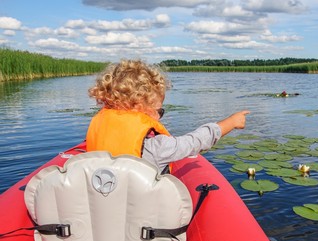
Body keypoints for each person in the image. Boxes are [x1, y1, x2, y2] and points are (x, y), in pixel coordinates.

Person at [86, 59, 250, 174]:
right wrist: (230, 123)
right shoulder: (157, 147)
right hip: (143, 218)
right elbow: (193, 142)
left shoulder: (99, 127)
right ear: (138, 107)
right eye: (159, 111)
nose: (160, 116)